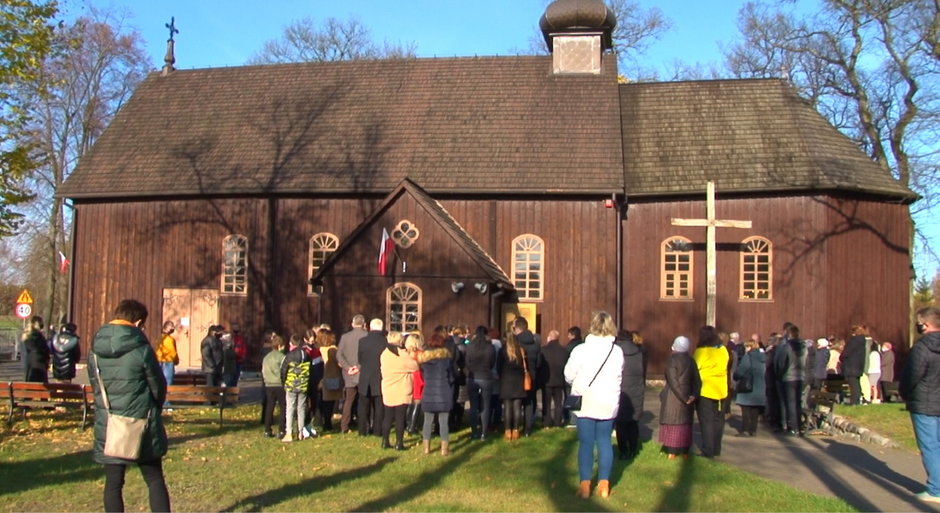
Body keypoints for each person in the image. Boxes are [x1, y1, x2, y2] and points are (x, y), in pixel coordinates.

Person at [88, 299, 170, 512]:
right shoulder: (142, 348)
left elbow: (96, 385)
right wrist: (156, 406)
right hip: (142, 418)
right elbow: (158, 385)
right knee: (154, 479)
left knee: (113, 483)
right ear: (139, 322)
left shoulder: (95, 349)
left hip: (110, 420)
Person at [564, 311, 623, 499]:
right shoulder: (617, 351)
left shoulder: (581, 350)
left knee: (586, 443)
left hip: (586, 400)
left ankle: (585, 485)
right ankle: (604, 484)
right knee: (605, 441)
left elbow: (568, 375)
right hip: (608, 401)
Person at [899, 306, 940, 504]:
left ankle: (936, 489)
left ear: (924, 324)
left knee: (930, 446)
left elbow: (910, 376)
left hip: (924, 403)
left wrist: (905, 394)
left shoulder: (922, 348)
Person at [659, 336, 700, 459]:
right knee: (685, 424)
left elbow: (673, 381)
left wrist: (684, 397)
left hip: (674, 396)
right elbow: (697, 381)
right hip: (687, 394)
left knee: (673, 422)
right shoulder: (691, 361)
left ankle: (672, 451)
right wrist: (693, 395)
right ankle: (684, 450)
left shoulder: (672, 360)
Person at [693, 325, 729, 458]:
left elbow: (695, 368)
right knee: (719, 420)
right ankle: (716, 448)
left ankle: (708, 449)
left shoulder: (701, 352)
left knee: (706, 421)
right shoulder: (723, 350)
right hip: (721, 389)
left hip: (706, 390)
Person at [380, 331, 418, 450]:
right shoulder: (401, 354)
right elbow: (415, 366)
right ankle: (399, 443)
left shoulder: (384, 353)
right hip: (401, 388)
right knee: (400, 418)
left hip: (387, 387)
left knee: (388, 416)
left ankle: (385, 441)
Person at [419, 331, 455, 455]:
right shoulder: (446, 360)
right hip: (443, 391)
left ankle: (426, 448)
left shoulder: (424, 362)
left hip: (428, 391)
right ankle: (444, 449)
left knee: (427, 421)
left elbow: (423, 377)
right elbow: (451, 377)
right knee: (443, 421)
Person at [614, 329, 645, 460]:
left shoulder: (615, 351)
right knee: (633, 422)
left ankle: (623, 451)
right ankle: (633, 450)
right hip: (637, 389)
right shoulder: (640, 351)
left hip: (620, 390)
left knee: (621, 423)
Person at [774, 324, 807, 436]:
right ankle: (798, 426)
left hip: (789, 377)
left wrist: (780, 374)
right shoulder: (804, 346)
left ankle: (792, 427)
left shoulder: (787, 347)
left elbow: (782, 362)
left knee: (790, 403)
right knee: (798, 402)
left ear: (789, 335)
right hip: (800, 376)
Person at [337, 314, 367, 433]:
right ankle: (362, 425)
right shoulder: (366, 336)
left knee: (349, 400)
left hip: (348, 373)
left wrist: (348, 367)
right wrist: (358, 367)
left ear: (353, 324)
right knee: (363, 400)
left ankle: (344, 426)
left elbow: (339, 355)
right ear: (364, 324)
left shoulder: (345, 337)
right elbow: (367, 356)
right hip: (362, 372)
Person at [465, 325, 496, 440]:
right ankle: (483, 432)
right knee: (486, 405)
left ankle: (474, 432)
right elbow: (492, 363)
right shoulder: (490, 347)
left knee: (474, 406)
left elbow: (467, 362)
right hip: (486, 377)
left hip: (473, 377)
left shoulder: (470, 346)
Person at [358, 318, 387, 437]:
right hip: (379, 376)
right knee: (379, 406)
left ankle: (362, 430)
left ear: (370, 327)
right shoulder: (385, 341)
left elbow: (359, 359)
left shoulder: (362, 341)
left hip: (365, 376)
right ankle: (377, 430)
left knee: (363, 405)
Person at [513, 317, 542, 436]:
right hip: (531, 377)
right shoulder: (535, 344)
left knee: (517, 402)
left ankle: (515, 427)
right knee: (529, 403)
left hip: (516, 376)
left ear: (517, 328)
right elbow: (539, 362)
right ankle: (527, 429)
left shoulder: (515, 343)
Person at [280, 335, 311, 442]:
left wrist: (284, 383)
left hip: (291, 385)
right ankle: (301, 432)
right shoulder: (306, 355)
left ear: (291, 343)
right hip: (303, 385)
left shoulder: (289, 356)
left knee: (290, 408)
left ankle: (289, 433)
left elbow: (283, 370)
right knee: (301, 408)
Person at [733, 337, 766, 437]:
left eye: (746, 347)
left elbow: (741, 370)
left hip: (748, 385)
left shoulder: (748, 357)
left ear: (750, 347)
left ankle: (745, 429)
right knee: (755, 409)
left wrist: (736, 376)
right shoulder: (763, 358)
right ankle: (753, 430)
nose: (745, 349)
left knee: (745, 408)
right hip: (759, 386)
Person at [498, 329, 527, 441]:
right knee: (517, 408)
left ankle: (507, 431)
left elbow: (498, 367)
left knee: (507, 408)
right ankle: (516, 430)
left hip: (506, 381)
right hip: (518, 381)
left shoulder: (502, 351)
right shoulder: (520, 350)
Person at [541, 329, 569, 429]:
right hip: (559, 380)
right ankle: (558, 422)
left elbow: (540, 365)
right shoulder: (564, 350)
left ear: (549, 337)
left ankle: (547, 422)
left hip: (547, 380)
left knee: (546, 403)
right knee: (558, 403)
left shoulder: (543, 350)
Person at [261, 333, 287, 438]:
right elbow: (285, 370)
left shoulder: (267, 357)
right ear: (280, 346)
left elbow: (263, 370)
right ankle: (281, 429)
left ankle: (267, 429)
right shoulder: (282, 357)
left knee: (269, 407)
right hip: (279, 384)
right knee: (283, 407)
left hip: (269, 384)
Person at [317, 328, 342, 431]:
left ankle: (320, 420)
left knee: (321, 400)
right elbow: (340, 363)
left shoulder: (320, 350)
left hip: (320, 377)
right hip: (331, 377)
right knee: (330, 401)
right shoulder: (333, 350)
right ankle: (327, 422)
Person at [840, 324, 869, 405]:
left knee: (853, 385)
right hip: (858, 367)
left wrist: (842, 357)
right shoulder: (862, 342)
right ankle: (858, 400)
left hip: (851, 366)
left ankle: (854, 402)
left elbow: (846, 353)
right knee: (856, 384)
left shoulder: (853, 341)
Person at [405, 331, 426, 435]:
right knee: (417, 401)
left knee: (410, 401)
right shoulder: (420, 354)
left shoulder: (405, 353)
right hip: (418, 377)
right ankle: (412, 426)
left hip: (409, 377)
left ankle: (408, 424)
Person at [23, 315, 50, 382]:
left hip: (28, 367)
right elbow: (45, 350)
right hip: (38, 367)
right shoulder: (38, 337)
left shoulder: (26, 336)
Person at [155, 321, 178, 387]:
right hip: (168, 361)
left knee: (160, 381)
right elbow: (173, 352)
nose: (173, 328)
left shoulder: (158, 338)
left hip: (159, 361)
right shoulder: (170, 339)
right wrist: (176, 360)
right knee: (168, 382)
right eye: (171, 326)